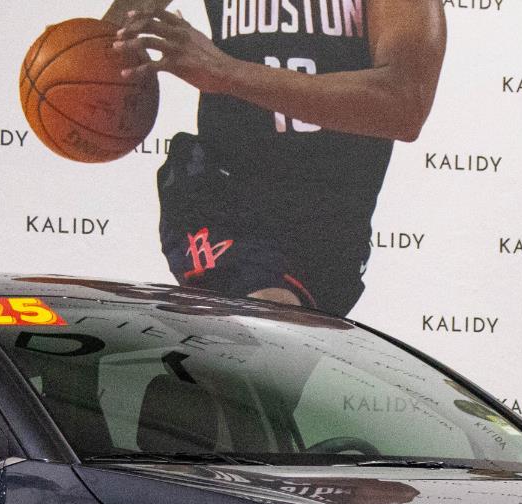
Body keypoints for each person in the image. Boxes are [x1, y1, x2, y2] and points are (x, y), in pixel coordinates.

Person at [104, 1, 446, 315]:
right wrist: (96, 73)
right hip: (222, 193)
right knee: (263, 316)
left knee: (266, 348)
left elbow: (404, 104)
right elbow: (107, 40)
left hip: (330, 224)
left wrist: (225, 72)